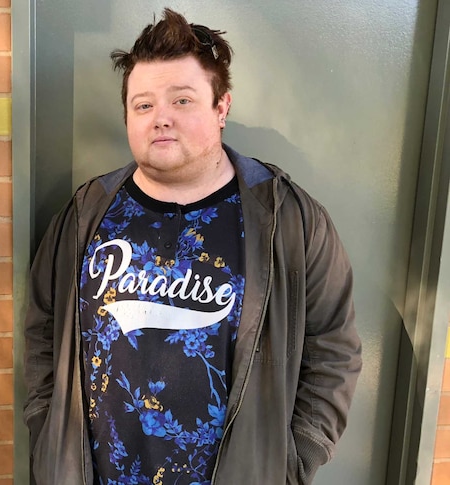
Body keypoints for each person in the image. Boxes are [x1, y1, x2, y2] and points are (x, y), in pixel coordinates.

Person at [23, 8, 361, 485]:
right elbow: (42, 327)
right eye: (143, 105)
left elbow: (334, 348)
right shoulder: (86, 214)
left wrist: (297, 454)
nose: (160, 118)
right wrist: (47, 430)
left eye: (181, 100)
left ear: (221, 108)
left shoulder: (287, 219)